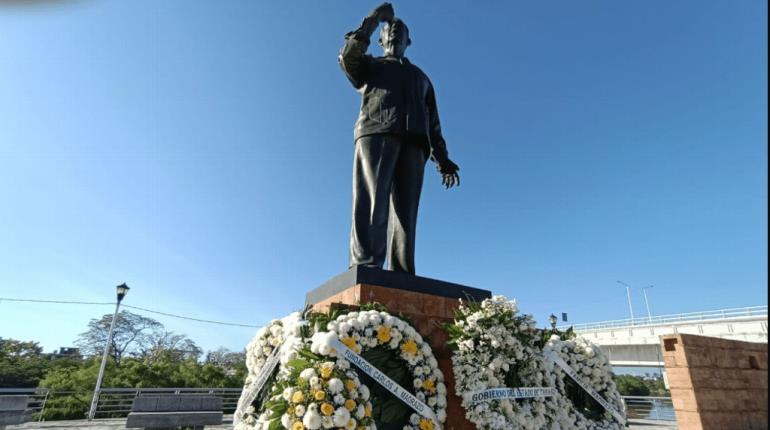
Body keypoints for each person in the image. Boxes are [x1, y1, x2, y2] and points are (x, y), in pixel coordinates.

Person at [340, 2, 460, 275]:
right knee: (373, 201)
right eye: (389, 29)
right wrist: (372, 20)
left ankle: (402, 272)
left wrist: (442, 158)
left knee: (406, 213)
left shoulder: (422, 78)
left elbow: (434, 122)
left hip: (415, 143)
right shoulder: (370, 65)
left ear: (409, 41)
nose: (393, 32)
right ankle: (366, 265)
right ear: (380, 39)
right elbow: (348, 57)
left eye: (400, 30)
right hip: (376, 133)